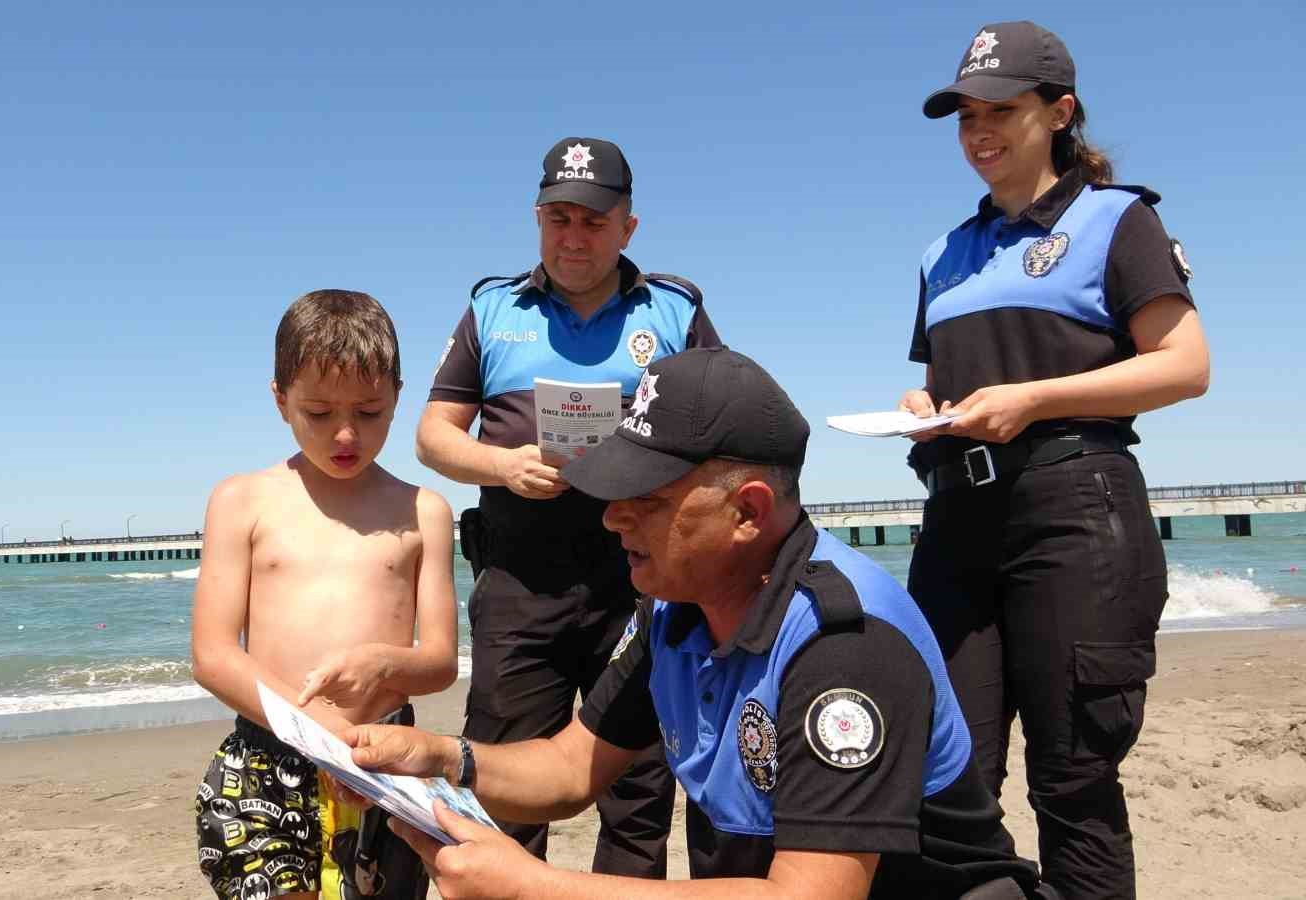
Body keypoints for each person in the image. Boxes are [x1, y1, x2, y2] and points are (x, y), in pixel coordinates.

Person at [349, 347, 1054, 900]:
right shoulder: (674, 609)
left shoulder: (844, 641)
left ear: (747, 512)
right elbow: (568, 770)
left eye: (646, 500)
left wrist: (534, 886)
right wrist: (442, 759)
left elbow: (812, 896)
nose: (612, 516)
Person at [901, 22, 1211, 899]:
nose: (978, 132)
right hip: (956, 524)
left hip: (1075, 507)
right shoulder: (942, 254)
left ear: (1060, 111)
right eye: (964, 116)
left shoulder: (1118, 219)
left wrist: (1036, 398)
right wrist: (925, 410)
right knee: (946, 780)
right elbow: (948, 386)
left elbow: (1185, 365)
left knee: (1074, 781)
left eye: (1000, 110)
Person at [418, 136, 720, 875]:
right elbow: (432, 435)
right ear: (537, 218)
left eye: (592, 220)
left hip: (642, 582)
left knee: (640, 789)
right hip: (522, 582)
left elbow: (720, 431)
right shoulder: (492, 311)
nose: (573, 236)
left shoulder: (674, 312)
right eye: (558, 218)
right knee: (501, 786)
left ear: (628, 227)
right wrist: (501, 463)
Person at [190, 289, 460, 900]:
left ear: (397, 393)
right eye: (318, 413)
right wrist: (317, 729)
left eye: (369, 412)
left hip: (384, 762)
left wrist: (387, 663)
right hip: (267, 759)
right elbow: (213, 654)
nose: (345, 433)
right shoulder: (241, 501)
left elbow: (441, 661)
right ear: (280, 398)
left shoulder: (426, 511)